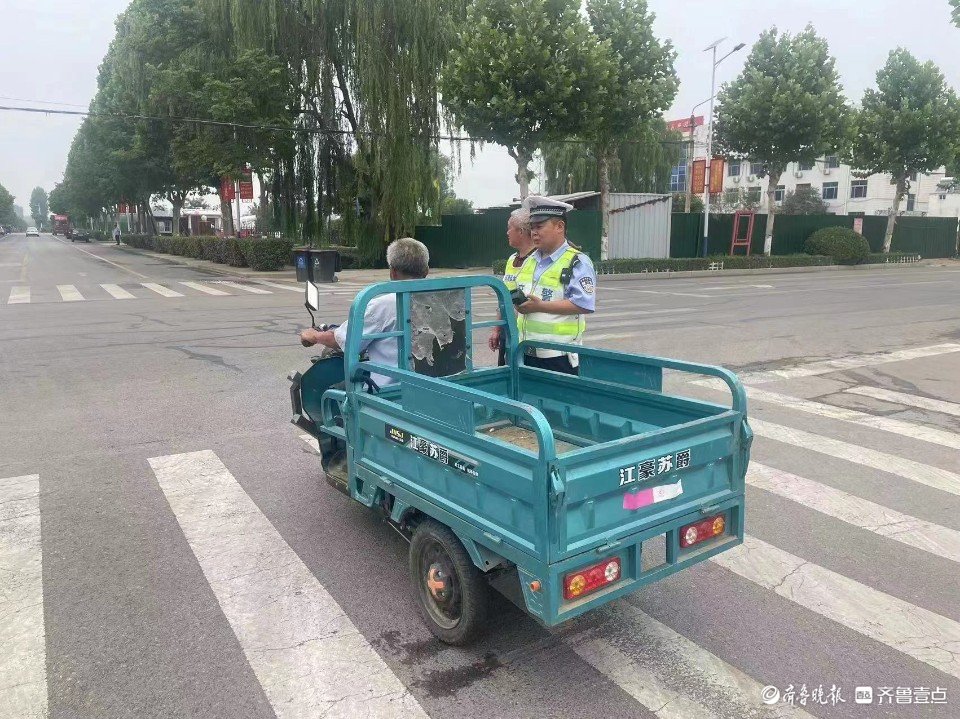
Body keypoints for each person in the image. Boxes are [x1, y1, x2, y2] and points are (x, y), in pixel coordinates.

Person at [299, 237, 430, 387]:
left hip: (390, 394)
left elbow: (343, 339)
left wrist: (314, 336)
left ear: (392, 272)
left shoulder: (383, 305)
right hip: (439, 388)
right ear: (426, 271)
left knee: (332, 394)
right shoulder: (449, 301)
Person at [513, 195, 596, 375]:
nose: (534, 232)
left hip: (558, 358)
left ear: (560, 227)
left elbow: (584, 304)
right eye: (532, 227)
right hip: (525, 352)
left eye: (540, 226)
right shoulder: (529, 261)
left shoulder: (577, 262)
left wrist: (540, 306)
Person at [488, 207, 536, 365]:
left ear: (521, 232)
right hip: (507, 331)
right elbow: (504, 297)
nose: (507, 232)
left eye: (510, 228)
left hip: (526, 334)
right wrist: (497, 328)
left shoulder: (539, 260)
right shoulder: (511, 260)